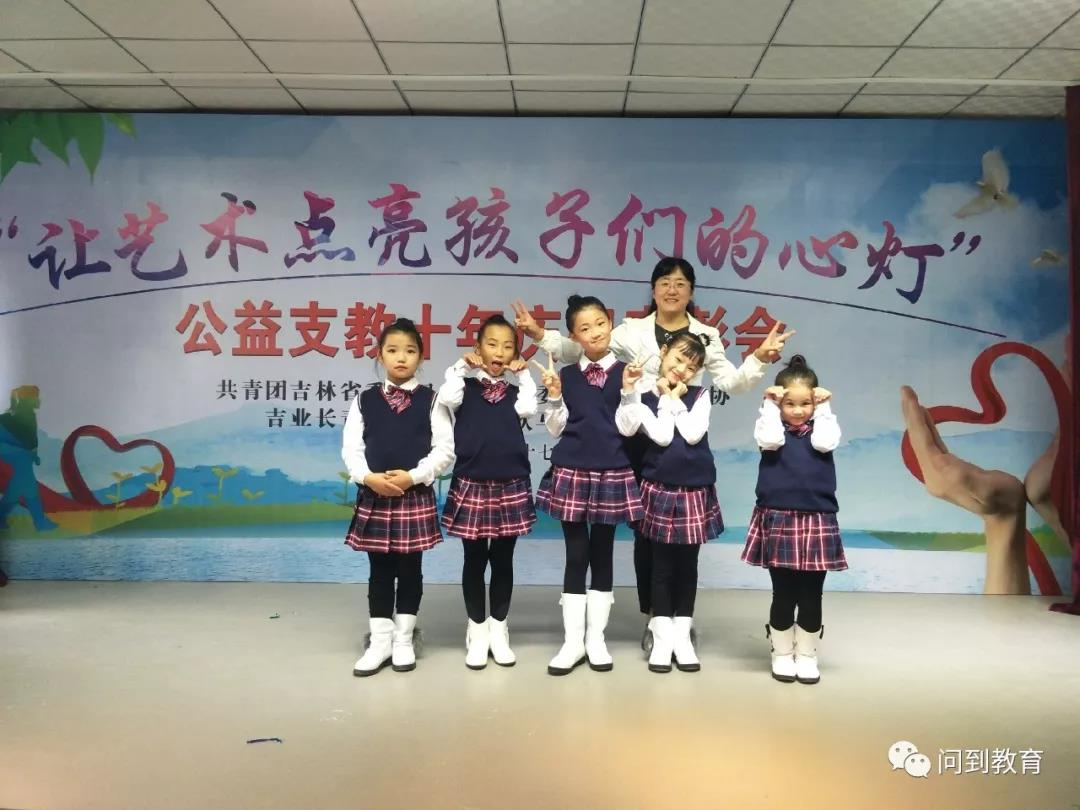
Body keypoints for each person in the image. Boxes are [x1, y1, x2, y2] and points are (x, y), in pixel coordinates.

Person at [514, 257, 792, 651]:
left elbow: (730, 381)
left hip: (683, 436)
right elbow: (583, 345)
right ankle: (654, 616)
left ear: (691, 291)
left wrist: (759, 358)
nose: (672, 289)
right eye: (664, 282)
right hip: (637, 434)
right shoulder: (631, 330)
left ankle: (680, 620)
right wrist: (540, 334)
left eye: (680, 283)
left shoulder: (706, 334)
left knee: (683, 543)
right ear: (654, 289)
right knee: (647, 536)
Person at [536, 295, 644, 675]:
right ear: (573, 336)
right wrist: (554, 396)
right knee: (576, 555)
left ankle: (596, 640)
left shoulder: (628, 372)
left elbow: (629, 428)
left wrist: (628, 390)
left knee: (602, 553)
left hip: (612, 469)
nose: (595, 332)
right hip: (572, 471)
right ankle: (572, 642)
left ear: (610, 323)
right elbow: (556, 429)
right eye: (585, 328)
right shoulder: (565, 376)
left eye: (600, 323)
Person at [342, 318, 454, 677]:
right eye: (392, 350)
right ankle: (380, 641)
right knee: (379, 570)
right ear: (380, 355)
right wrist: (368, 478)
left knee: (410, 569)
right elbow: (351, 449)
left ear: (421, 356)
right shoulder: (364, 400)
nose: (401, 358)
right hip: (375, 495)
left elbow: (444, 451)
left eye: (409, 351)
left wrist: (413, 477)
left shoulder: (432, 400)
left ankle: (404, 639)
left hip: (413, 496)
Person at [436, 314, 538, 669]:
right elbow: (446, 397)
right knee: (474, 560)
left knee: (503, 560)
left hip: (511, 482)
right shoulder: (464, 386)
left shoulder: (516, 391)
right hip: (472, 481)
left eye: (508, 346)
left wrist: (524, 375)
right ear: (477, 348)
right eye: (492, 344)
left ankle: (499, 629)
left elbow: (529, 408)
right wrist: (461, 367)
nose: (499, 352)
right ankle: (477, 630)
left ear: (515, 354)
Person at [616, 333, 722, 674]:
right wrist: (649, 395)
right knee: (660, 567)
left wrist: (675, 398)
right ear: (663, 353)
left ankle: (682, 637)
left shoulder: (700, 396)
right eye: (678, 359)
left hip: (694, 490)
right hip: (658, 487)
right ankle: (662, 637)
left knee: (688, 566)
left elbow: (691, 433)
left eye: (691, 367)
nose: (682, 370)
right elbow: (660, 436)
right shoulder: (644, 397)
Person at [741, 355, 844, 685]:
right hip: (778, 516)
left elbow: (824, 443)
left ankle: (808, 654)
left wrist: (824, 408)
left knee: (811, 594)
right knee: (783, 593)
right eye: (790, 403)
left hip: (817, 518)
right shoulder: (770, 426)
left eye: (805, 403)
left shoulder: (823, 426)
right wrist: (770, 405)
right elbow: (771, 441)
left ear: (815, 402)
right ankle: (782, 653)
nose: (798, 410)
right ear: (779, 403)